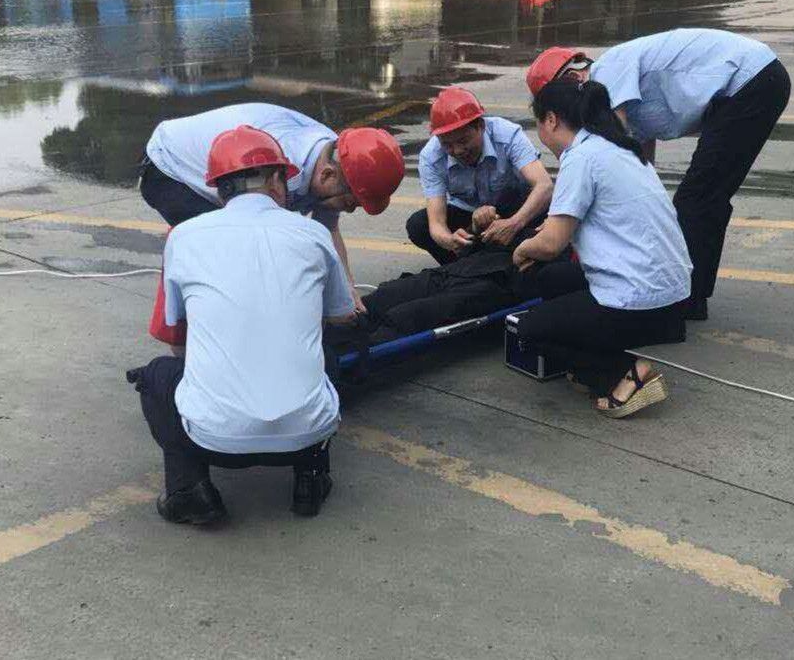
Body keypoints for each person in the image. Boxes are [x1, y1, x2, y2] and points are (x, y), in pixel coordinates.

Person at [128, 125, 357, 525]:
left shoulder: (184, 237)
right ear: (276, 181)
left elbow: (177, 334)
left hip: (213, 440)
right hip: (305, 436)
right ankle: (310, 478)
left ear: (219, 190)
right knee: (327, 355)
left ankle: (190, 491)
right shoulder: (314, 234)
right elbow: (341, 315)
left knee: (159, 376)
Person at [526, 29, 791, 321]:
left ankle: (687, 300)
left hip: (750, 82)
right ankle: (689, 294)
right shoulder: (616, 101)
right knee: (705, 196)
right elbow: (634, 163)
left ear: (572, 80)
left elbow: (607, 151)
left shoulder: (607, 72)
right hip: (752, 83)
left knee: (697, 199)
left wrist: (564, 219)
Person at [511, 80, 692, 418]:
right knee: (551, 279)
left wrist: (522, 249)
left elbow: (551, 244)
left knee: (530, 331)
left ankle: (624, 372)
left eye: (539, 125)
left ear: (551, 120)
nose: (541, 136)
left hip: (640, 301)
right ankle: (588, 362)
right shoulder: (621, 148)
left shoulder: (580, 158)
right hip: (673, 299)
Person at [141, 102, 404, 310]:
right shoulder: (280, 172)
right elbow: (259, 237)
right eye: (349, 203)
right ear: (327, 175)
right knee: (230, 255)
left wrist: (347, 288)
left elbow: (328, 228)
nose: (349, 210)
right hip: (169, 170)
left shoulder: (333, 155)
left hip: (214, 166)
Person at [408, 87, 553, 264]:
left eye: (463, 141)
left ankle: (494, 260)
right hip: (468, 217)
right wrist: (450, 241)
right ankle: (462, 267)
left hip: (515, 208)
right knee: (418, 225)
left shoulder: (507, 135)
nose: (458, 150)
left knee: (549, 217)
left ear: (481, 126)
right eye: (447, 145)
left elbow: (544, 185)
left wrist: (515, 222)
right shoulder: (431, 156)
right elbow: (436, 223)